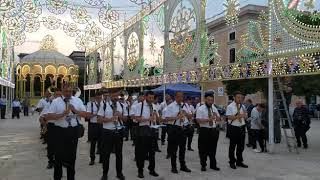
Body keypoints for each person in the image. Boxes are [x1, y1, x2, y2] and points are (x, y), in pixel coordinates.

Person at [45, 84, 90, 180]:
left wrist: (75, 110)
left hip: (73, 131)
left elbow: (86, 115)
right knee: (58, 157)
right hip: (59, 131)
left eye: (70, 91)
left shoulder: (77, 101)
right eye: (66, 91)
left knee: (72, 157)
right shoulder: (56, 102)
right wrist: (62, 114)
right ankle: (57, 177)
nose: (68, 93)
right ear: (62, 91)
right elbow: (48, 116)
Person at [98, 90, 126, 180]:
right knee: (106, 154)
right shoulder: (104, 105)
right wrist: (110, 119)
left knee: (119, 154)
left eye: (116, 96)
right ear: (110, 95)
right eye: (113, 96)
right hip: (107, 132)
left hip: (119, 131)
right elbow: (99, 119)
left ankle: (119, 173)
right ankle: (105, 173)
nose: (115, 98)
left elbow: (126, 119)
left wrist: (120, 115)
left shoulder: (122, 105)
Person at [132, 91, 159, 178]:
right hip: (142, 131)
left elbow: (157, 118)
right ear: (145, 97)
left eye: (152, 98)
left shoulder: (154, 106)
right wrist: (147, 119)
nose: (151, 99)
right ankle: (140, 170)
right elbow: (135, 119)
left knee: (152, 152)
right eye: (150, 98)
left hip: (152, 130)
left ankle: (152, 169)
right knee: (141, 153)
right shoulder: (138, 106)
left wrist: (157, 117)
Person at [163, 91, 191, 174]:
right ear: (175, 97)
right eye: (179, 97)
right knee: (174, 149)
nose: (180, 99)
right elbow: (166, 119)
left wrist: (187, 114)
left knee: (182, 149)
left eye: (182, 97)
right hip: (173, 128)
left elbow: (190, 116)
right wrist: (177, 117)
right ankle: (174, 167)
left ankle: (183, 166)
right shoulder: (171, 106)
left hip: (182, 128)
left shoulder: (185, 105)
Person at [196, 92, 221, 171]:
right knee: (203, 149)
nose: (210, 102)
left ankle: (213, 165)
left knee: (213, 149)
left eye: (211, 100)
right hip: (204, 131)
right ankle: (203, 165)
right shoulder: (200, 108)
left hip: (213, 130)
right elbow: (198, 120)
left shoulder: (214, 108)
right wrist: (208, 119)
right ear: (205, 100)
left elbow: (219, 119)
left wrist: (216, 116)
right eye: (209, 100)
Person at [226, 91, 248, 169]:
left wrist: (244, 116)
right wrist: (239, 116)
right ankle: (232, 162)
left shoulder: (243, 106)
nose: (240, 99)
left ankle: (239, 161)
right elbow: (229, 117)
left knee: (241, 146)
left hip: (241, 127)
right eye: (238, 97)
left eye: (241, 98)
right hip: (234, 128)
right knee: (232, 146)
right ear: (234, 97)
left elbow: (245, 117)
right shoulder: (230, 106)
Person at [42, 88, 62, 169]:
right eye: (56, 95)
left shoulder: (64, 103)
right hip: (51, 127)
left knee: (61, 146)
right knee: (50, 146)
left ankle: (60, 161)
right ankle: (51, 161)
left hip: (61, 127)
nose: (58, 96)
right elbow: (44, 116)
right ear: (54, 95)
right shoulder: (49, 104)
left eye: (59, 95)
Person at [87, 92, 103, 165]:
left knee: (102, 142)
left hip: (101, 124)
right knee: (93, 143)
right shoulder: (90, 104)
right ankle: (92, 159)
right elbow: (88, 116)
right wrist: (97, 114)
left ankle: (101, 158)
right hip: (93, 124)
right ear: (96, 97)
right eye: (98, 98)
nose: (100, 99)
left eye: (100, 98)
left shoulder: (104, 104)